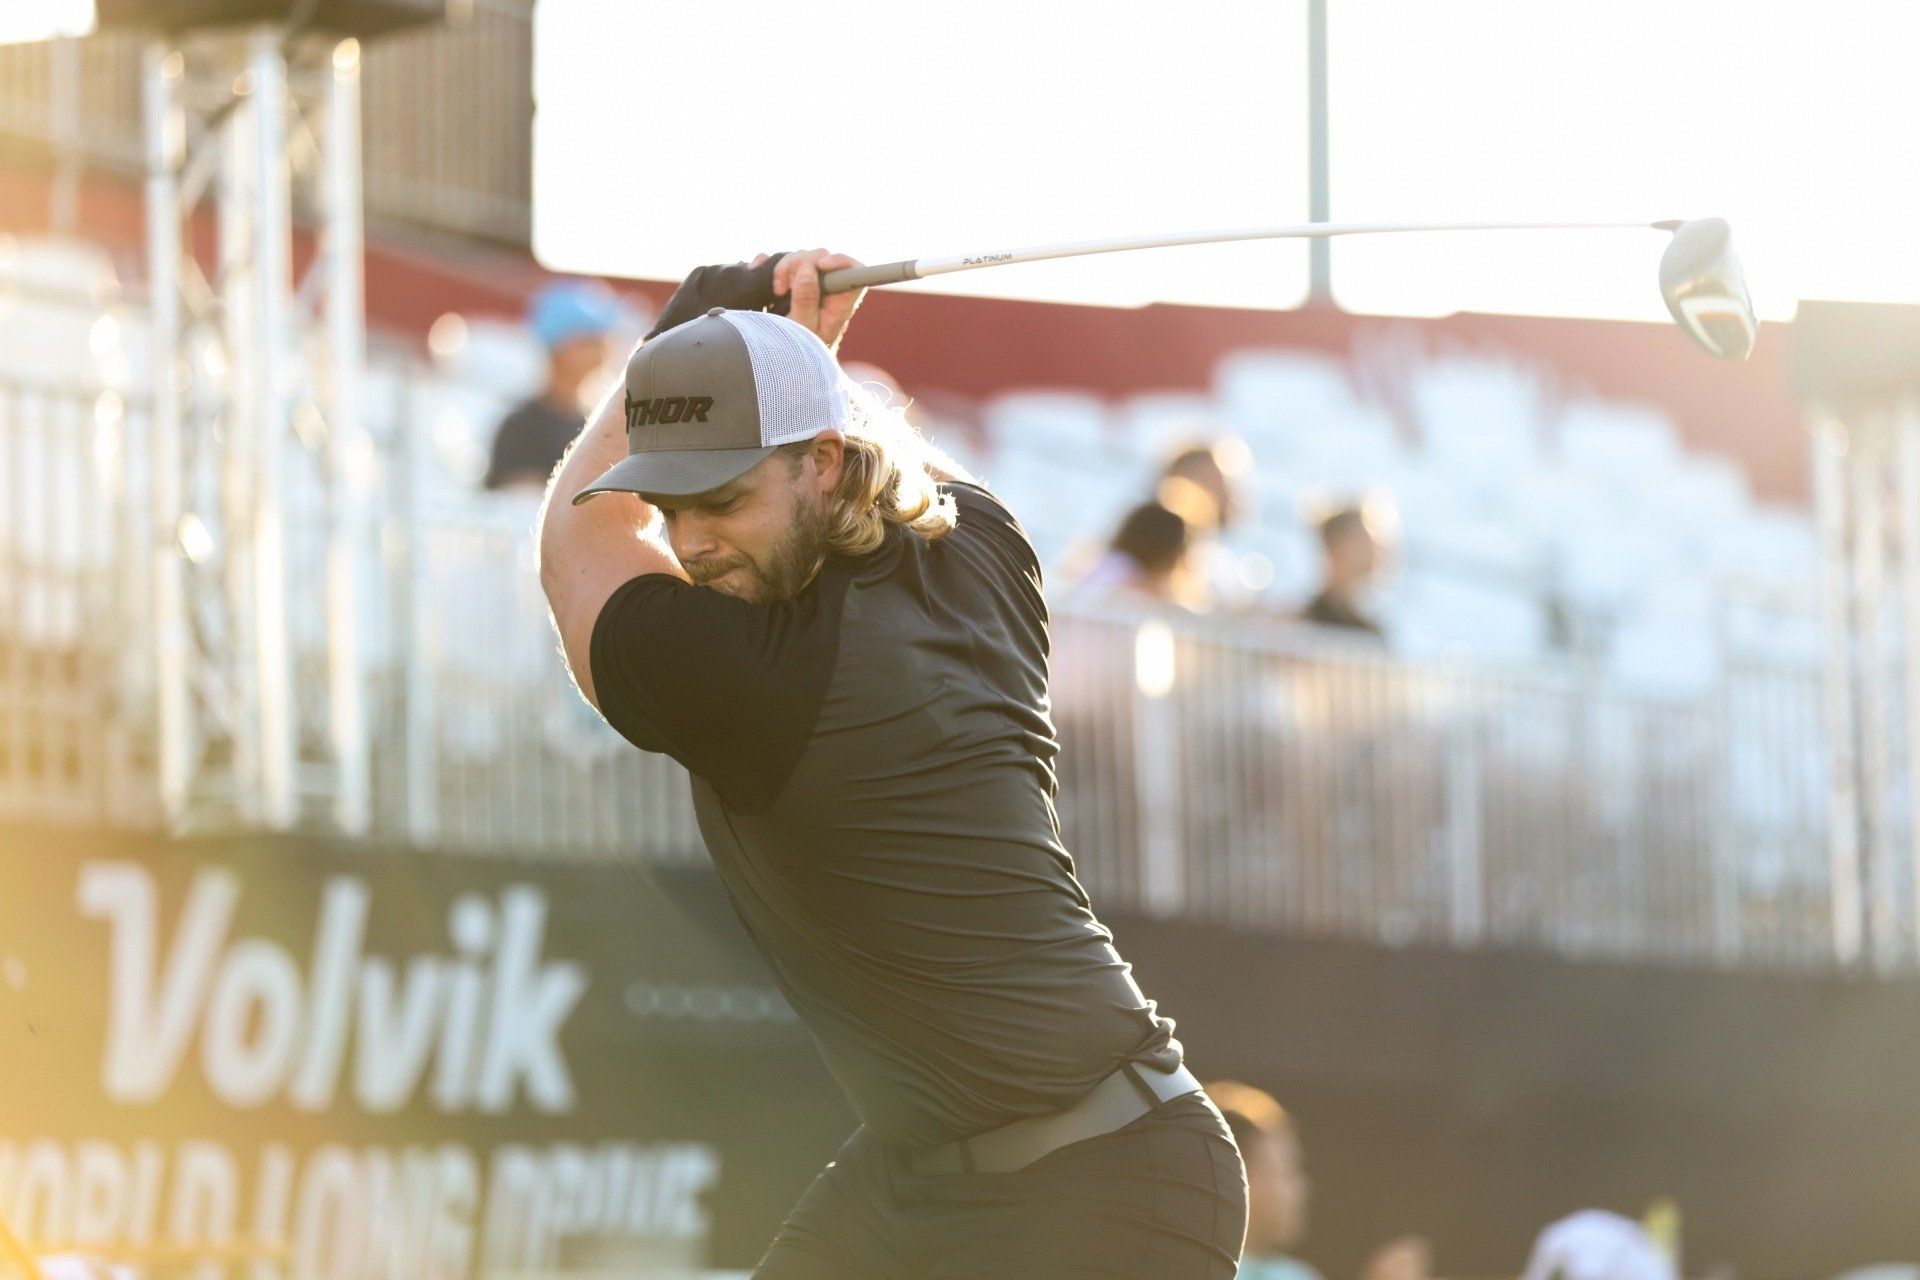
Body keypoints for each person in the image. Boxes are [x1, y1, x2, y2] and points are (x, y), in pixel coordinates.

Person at [537, 249, 1247, 1278]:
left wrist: (678, 340)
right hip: (930, 1166)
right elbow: (895, 462)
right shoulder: (985, 543)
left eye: (721, 500)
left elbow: (577, 541)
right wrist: (776, 362)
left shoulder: (747, 675)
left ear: (822, 463)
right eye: (671, 505)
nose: (691, 542)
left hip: (1107, 1186)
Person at [1209, 1079, 1430, 1280]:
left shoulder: (1296, 1274)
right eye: (1288, 1172)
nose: (1304, 1188)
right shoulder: (1201, 1268)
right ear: (1237, 1178)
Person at [483, 279, 632, 492]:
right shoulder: (522, 428)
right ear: (562, 347)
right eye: (589, 339)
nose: (603, 346)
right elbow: (518, 501)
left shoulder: (597, 423)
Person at [1300, 500, 1393, 639]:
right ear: (1336, 547)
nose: (1375, 551)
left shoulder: (1369, 632)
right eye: (1364, 541)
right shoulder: (1299, 623)